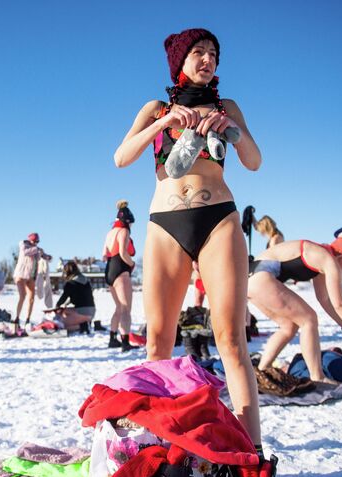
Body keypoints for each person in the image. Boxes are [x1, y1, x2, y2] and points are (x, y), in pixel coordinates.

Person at [113, 28, 264, 455]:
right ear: (180, 60)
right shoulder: (156, 107)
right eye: (198, 52)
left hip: (219, 219)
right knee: (158, 339)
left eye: (213, 53)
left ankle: (252, 450)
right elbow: (121, 157)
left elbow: (253, 161)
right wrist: (163, 123)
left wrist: (231, 126)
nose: (208, 59)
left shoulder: (225, 106)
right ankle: (158, 442)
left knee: (231, 338)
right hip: (166, 223)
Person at [247, 227, 342, 383]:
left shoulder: (322, 257)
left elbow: (325, 300)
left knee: (289, 326)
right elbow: (339, 303)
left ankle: (262, 370)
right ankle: (318, 377)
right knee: (309, 319)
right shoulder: (329, 261)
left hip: (252, 279)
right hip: (261, 277)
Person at [102, 200, 137, 351]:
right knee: (126, 309)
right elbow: (123, 252)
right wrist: (132, 264)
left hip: (110, 269)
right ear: (128, 221)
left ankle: (112, 339)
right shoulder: (124, 231)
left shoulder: (110, 233)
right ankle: (125, 342)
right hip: (120, 270)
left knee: (118, 307)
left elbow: (104, 255)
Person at [13, 233, 51, 327]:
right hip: (21, 275)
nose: (35, 243)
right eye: (34, 241)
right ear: (30, 240)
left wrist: (47, 257)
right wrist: (37, 249)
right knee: (23, 296)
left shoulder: (37, 249)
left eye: (37, 241)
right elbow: (26, 252)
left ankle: (28, 319)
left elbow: (42, 256)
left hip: (31, 276)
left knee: (31, 299)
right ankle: (17, 318)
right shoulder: (23, 245)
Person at [54, 261, 96, 333]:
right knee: (64, 311)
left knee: (61, 324)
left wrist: (57, 305)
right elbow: (81, 295)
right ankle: (84, 323)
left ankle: (83, 325)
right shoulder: (86, 281)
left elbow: (64, 297)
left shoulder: (70, 283)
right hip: (92, 311)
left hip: (81, 311)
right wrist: (66, 303)